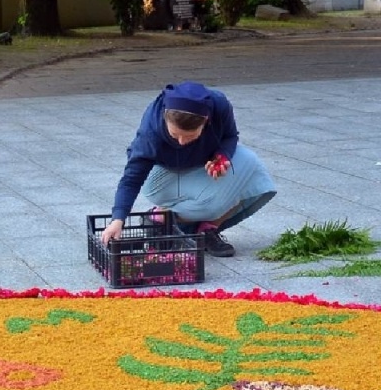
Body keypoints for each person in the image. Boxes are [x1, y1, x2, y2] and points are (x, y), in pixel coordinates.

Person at [99, 81, 277, 258]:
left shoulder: (219, 105)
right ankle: (160, 217)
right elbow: (131, 179)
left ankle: (207, 229)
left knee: (253, 170)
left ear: (206, 121)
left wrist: (221, 156)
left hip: (200, 165)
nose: (182, 142)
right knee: (211, 204)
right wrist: (118, 219)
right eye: (175, 135)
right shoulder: (150, 134)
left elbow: (230, 136)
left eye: (190, 136)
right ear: (165, 116)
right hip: (161, 177)